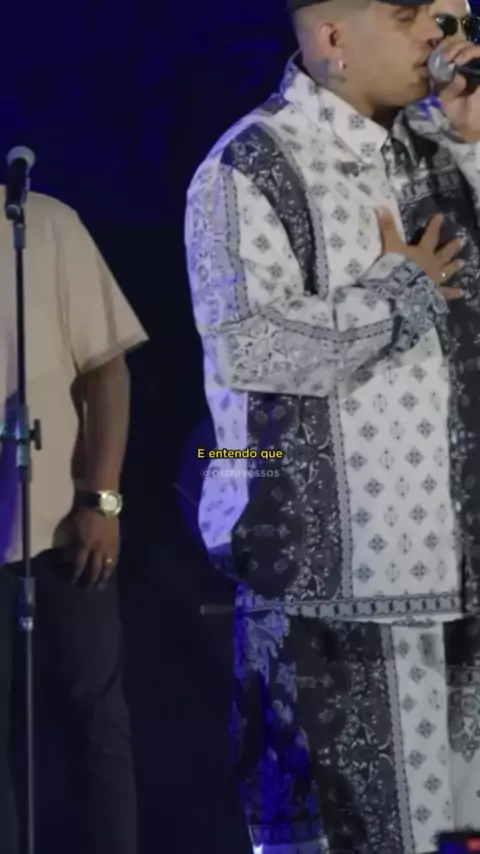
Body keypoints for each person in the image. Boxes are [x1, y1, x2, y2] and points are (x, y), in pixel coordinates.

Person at [185, 0, 480, 851]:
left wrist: (471, 143)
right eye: (414, 13)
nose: (441, 36)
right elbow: (249, 346)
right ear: (333, 38)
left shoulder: (446, 148)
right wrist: (394, 296)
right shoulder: (251, 165)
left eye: (455, 16)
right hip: (339, 597)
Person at [0, 190, 147, 854]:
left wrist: (103, 499)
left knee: (97, 726)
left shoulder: (42, 223)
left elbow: (107, 370)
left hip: (63, 528)